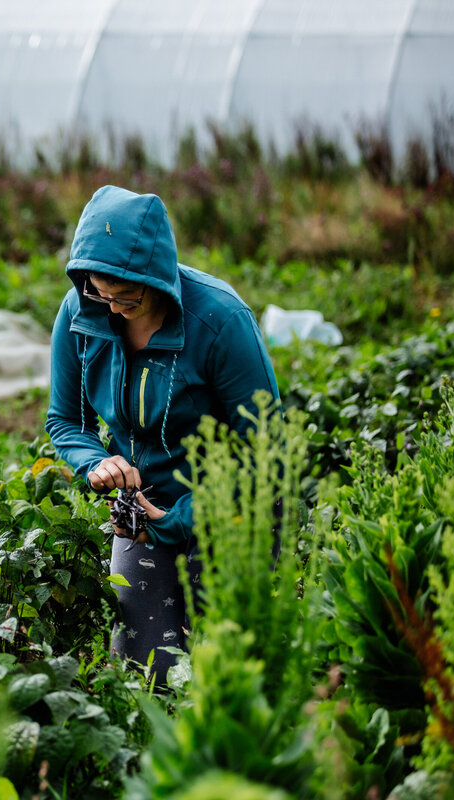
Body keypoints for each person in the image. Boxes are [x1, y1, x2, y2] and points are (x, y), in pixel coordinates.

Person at [44, 185, 279, 684]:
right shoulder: (81, 313)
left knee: (228, 675)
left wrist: (181, 521)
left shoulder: (219, 321)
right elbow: (65, 419)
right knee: (145, 673)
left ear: (153, 278)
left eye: (125, 294)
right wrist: (96, 463)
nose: (110, 307)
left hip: (233, 507)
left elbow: (265, 453)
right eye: (97, 291)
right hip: (144, 511)